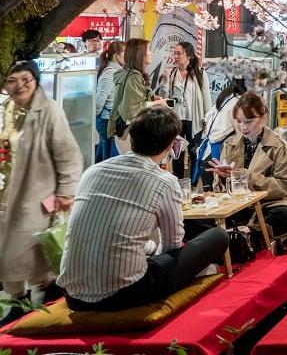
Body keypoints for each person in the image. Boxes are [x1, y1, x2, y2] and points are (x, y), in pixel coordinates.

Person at [58, 106, 228, 312]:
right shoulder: (164, 181)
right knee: (218, 236)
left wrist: (148, 248)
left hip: (73, 296)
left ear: (131, 137)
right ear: (169, 145)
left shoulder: (92, 171)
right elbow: (171, 246)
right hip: (125, 293)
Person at [0, 61, 83, 324]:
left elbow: (69, 156)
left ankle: (47, 295)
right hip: (9, 192)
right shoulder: (10, 108)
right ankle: (19, 301)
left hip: (38, 195)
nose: (21, 85)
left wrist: (67, 191)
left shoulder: (49, 110)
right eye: (13, 80)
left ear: (36, 80)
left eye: (27, 79)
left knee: (32, 249)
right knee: (10, 250)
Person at [206, 93, 287, 236]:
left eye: (248, 121)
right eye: (238, 121)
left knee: (284, 216)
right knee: (198, 218)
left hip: (271, 204)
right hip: (238, 205)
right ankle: (247, 232)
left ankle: (245, 232)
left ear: (263, 118)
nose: (242, 127)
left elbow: (282, 187)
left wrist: (246, 177)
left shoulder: (279, 146)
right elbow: (219, 191)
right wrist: (222, 177)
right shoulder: (229, 144)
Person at [160, 41, 213, 180]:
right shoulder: (171, 73)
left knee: (194, 151)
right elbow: (164, 97)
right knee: (177, 152)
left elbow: (206, 97)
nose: (176, 56)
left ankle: (193, 182)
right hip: (176, 118)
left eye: (179, 53)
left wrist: (207, 118)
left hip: (194, 119)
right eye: (175, 53)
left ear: (188, 55)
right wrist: (165, 81)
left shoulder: (199, 73)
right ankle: (178, 181)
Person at [111, 38, 167, 144]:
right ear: (140, 53)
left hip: (133, 128)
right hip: (130, 131)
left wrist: (154, 98)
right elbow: (134, 107)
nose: (151, 53)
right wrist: (159, 103)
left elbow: (133, 98)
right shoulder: (134, 76)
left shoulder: (133, 74)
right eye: (149, 50)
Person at [193, 78, 245, 187]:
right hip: (219, 157)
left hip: (206, 153)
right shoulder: (240, 102)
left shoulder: (226, 96)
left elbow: (206, 118)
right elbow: (242, 132)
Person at [94, 39, 125, 162]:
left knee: (102, 154)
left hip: (109, 119)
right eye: (124, 53)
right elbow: (99, 102)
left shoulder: (117, 72)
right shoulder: (110, 74)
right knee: (107, 159)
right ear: (116, 56)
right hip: (107, 120)